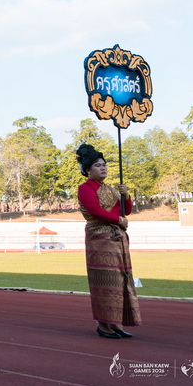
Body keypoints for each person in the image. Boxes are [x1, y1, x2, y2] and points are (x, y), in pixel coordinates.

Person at [76, 143, 140, 339]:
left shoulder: (111, 190)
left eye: (104, 165)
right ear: (87, 170)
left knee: (121, 279)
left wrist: (126, 196)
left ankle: (116, 322)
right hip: (99, 237)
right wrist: (119, 220)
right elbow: (96, 211)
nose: (103, 168)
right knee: (105, 280)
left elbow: (125, 211)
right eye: (97, 165)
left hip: (117, 238)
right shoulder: (85, 188)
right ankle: (103, 324)